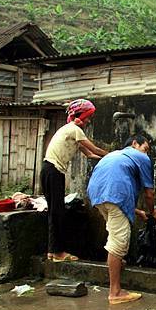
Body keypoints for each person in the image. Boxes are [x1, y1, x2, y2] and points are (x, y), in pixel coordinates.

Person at [87, 134, 156, 304]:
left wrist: (138, 212)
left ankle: (117, 265)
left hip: (97, 195)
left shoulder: (114, 155)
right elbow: (149, 194)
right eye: (146, 148)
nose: (147, 153)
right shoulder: (141, 157)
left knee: (114, 234)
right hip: (114, 194)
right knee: (119, 242)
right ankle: (115, 292)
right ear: (135, 144)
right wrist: (153, 211)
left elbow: (111, 194)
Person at [41, 98, 108, 262]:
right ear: (81, 116)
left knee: (54, 211)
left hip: (48, 170)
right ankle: (58, 253)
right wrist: (114, 155)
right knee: (58, 212)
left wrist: (105, 160)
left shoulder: (70, 131)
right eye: (88, 117)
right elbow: (95, 149)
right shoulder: (74, 129)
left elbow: (90, 154)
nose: (88, 120)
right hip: (54, 171)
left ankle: (52, 251)